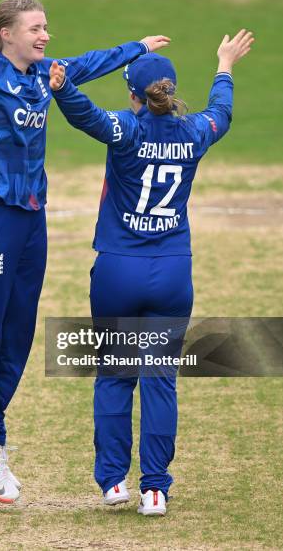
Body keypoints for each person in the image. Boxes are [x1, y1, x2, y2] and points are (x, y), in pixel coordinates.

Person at [0, 0, 171, 504]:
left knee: (20, 333)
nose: (44, 35)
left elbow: (91, 64)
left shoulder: (45, 74)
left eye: (46, 27)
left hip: (32, 221)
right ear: (7, 33)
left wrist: (136, 46)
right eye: (34, 28)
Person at [49, 29, 254, 515]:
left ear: (134, 95)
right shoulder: (195, 132)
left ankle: (114, 483)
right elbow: (220, 112)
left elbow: (87, 117)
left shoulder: (126, 128)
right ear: (171, 90)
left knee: (116, 375)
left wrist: (62, 88)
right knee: (161, 379)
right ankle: (155, 489)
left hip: (118, 272)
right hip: (171, 274)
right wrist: (225, 65)